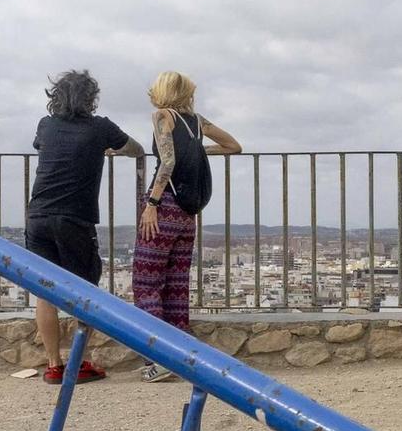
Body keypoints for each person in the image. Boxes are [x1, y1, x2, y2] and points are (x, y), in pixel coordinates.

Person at [26, 69, 143, 384]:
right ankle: (79, 363)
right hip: (75, 218)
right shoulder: (100, 127)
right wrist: (112, 149)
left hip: (37, 216)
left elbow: (42, 146)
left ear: (56, 98)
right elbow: (136, 148)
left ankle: (53, 365)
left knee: (44, 292)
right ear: (90, 99)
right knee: (84, 291)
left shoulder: (46, 125)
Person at [133, 71, 241, 381]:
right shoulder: (196, 120)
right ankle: (184, 355)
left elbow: (166, 162)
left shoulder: (162, 115)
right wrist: (198, 150)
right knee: (177, 283)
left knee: (147, 283)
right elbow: (234, 146)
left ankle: (157, 359)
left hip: (164, 206)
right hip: (187, 212)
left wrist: (151, 205)